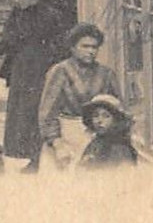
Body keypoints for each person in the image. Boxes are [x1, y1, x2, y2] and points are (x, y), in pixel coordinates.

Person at [0, 0, 68, 170]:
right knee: (20, 112)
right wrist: (1, 45)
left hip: (41, 67)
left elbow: (59, 44)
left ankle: (37, 158)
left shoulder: (49, 15)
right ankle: (25, 156)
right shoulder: (18, 13)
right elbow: (9, 35)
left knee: (37, 111)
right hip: (21, 67)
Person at [37, 22, 123, 171]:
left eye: (94, 47)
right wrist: (57, 143)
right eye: (85, 46)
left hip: (97, 137)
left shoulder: (106, 74)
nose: (90, 51)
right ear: (72, 48)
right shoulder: (60, 71)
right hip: (66, 136)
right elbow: (47, 112)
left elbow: (118, 109)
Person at [78, 93, 139, 168]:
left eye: (106, 116)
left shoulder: (119, 148)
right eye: (95, 116)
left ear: (116, 120)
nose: (99, 121)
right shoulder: (96, 142)